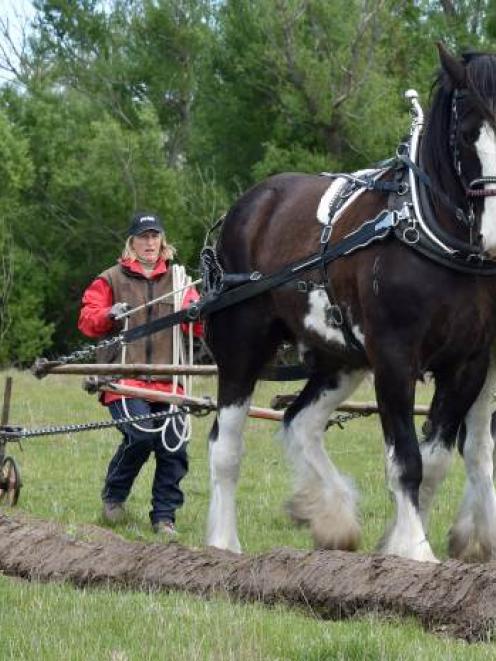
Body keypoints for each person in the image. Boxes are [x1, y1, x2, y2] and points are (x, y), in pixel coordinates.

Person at [78, 211, 201, 536]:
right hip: (123, 380)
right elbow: (88, 320)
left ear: (162, 241)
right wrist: (108, 313)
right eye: (143, 236)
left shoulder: (180, 282)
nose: (149, 242)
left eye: (154, 236)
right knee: (141, 435)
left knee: (174, 448)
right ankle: (114, 498)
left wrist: (197, 315)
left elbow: (201, 327)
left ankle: (164, 517)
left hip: (171, 380)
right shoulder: (111, 279)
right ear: (131, 242)